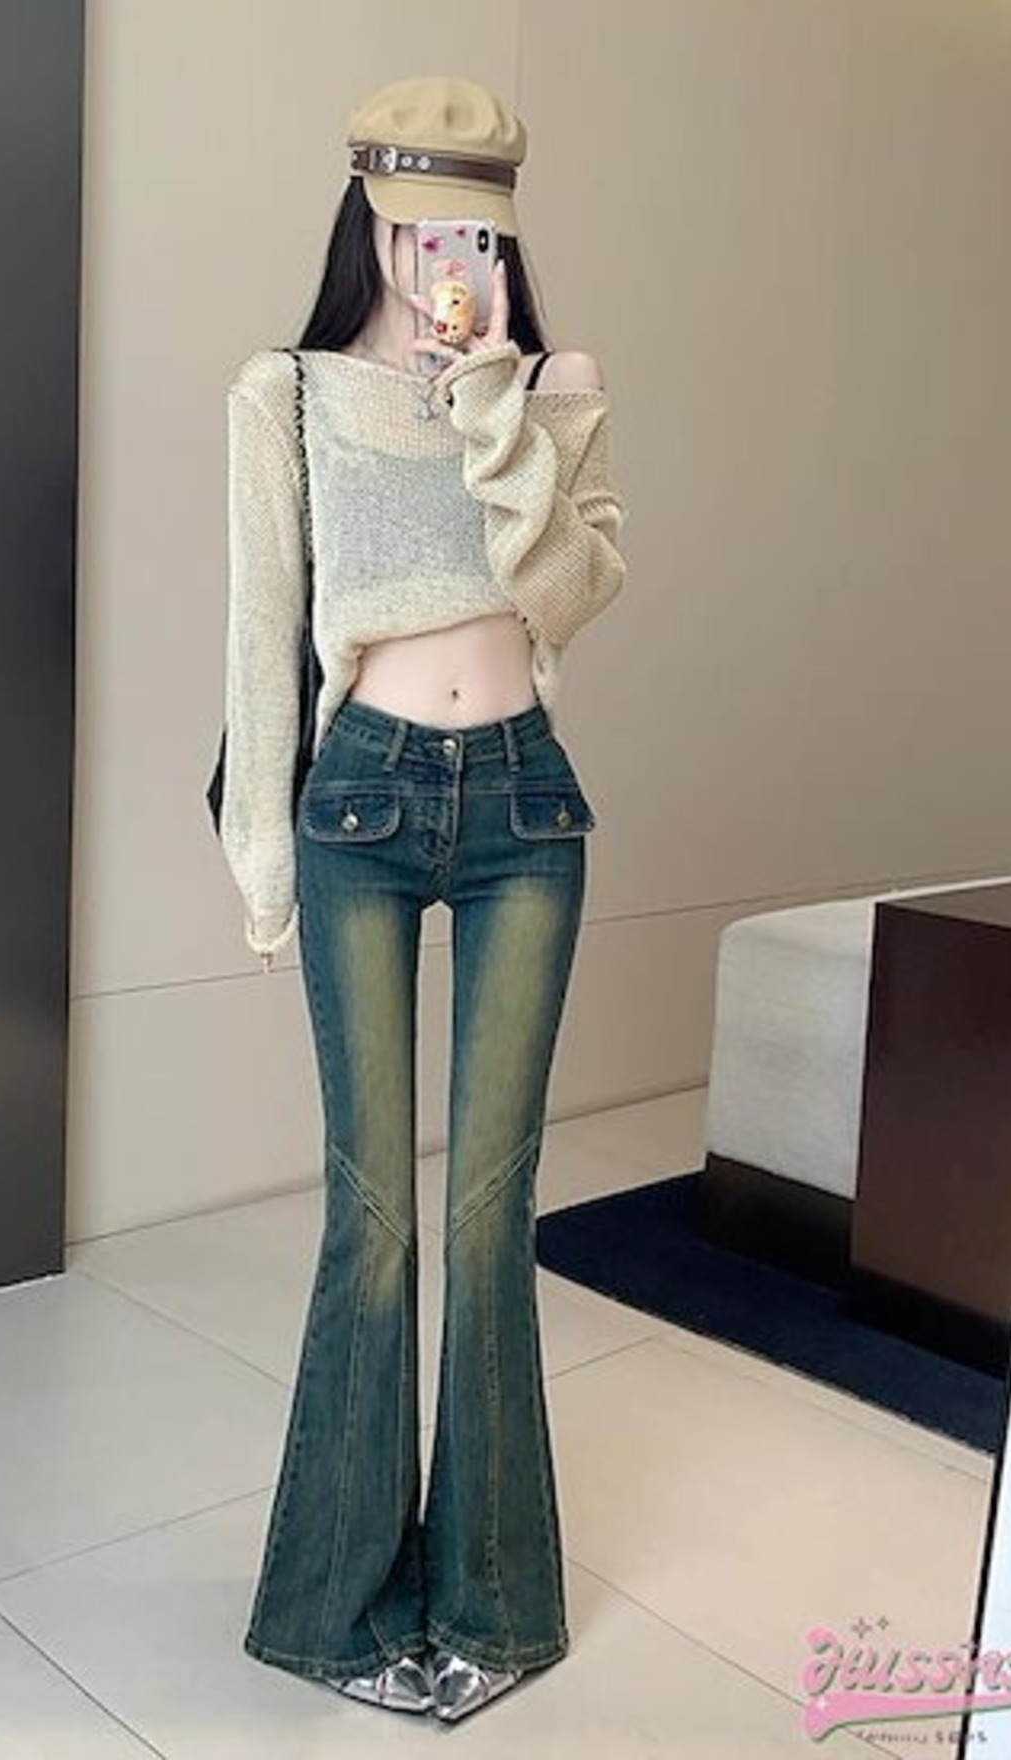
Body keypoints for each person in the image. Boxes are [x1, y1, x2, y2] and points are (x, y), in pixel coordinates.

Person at [219, 74, 627, 1723]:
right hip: (364, 800)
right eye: (425, 226)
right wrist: (264, 869)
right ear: (373, 221)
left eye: (481, 232)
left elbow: (572, 594)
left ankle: (497, 1607)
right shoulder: (286, 394)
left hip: (526, 802)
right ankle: (333, 1613)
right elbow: (261, 632)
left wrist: (497, 409)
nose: (453, 257)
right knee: (373, 1222)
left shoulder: (554, 386)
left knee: (488, 1220)